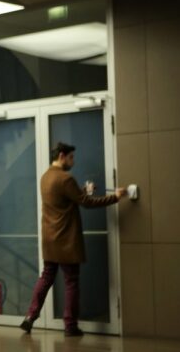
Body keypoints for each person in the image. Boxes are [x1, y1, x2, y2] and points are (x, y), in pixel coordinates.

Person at [20, 142, 127, 337]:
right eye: (71, 157)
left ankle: (30, 316)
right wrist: (116, 197)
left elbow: (65, 199)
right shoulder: (65, 178)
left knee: (46, 277)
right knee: (71, 281)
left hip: (50, 239)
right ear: (62, 156)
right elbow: (87, 203)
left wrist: (83, 190)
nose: (73, 161)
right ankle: (70, 326)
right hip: (66, 240)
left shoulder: (45, 177)